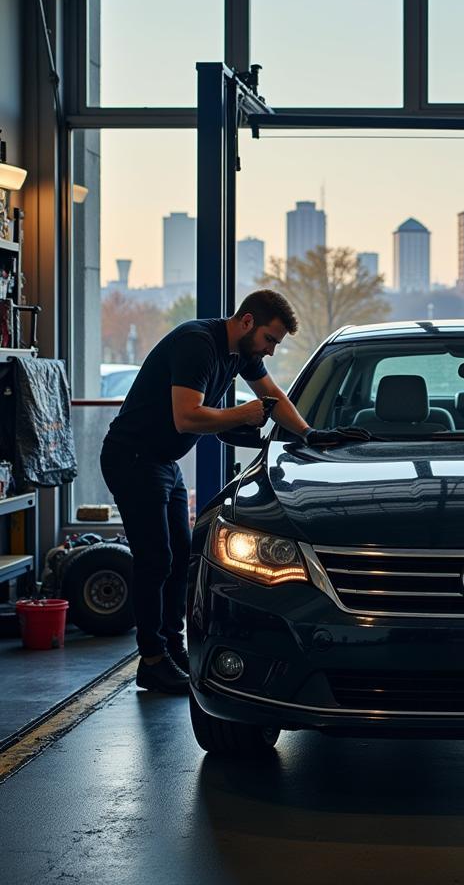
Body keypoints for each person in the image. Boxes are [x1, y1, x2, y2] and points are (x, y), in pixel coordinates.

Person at [101, 290, 315, 695]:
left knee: (181, 556)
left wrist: (309, 433)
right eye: (270, 339)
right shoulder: (197, 344)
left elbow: (274, 396)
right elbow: (186, 417)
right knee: (155, 560)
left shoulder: (242, 353)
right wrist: (244, 415)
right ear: (248, 322)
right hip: (131, 458)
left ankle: (169, 648)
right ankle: (151, 660)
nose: (269, 351)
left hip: (162, 463)